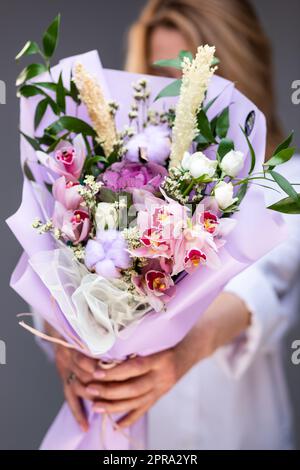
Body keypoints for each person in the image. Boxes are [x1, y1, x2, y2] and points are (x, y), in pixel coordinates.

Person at [42, 0, 300, 449]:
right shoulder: (118, 174)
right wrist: (65, 342)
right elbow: (69, 273)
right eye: (161, 76)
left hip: (238, 434)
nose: (183, 98)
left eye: (195, 77)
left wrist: (187, 348)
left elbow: (263, 286)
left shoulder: (285, 179)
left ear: (240, 67)